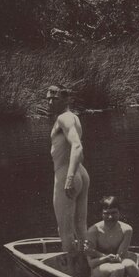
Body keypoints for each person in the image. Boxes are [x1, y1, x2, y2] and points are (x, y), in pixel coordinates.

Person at [47, 85, 90, 262]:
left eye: (55, 98)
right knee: (81, 227)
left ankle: (73, 270)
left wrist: (70, 177)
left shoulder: (64, 118)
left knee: (64, 231)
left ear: (66, 99)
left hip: (67, 173)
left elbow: (77, 146)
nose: (50, 102)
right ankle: (88, 264)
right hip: (81, 173)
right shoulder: (73, 117)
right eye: (48, 99)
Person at [85, 196, 139, 277]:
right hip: (98, 269)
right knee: (118, 268)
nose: (110, 217)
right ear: (101, 214)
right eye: (106, 213)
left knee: (131, 265)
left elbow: (120, 256)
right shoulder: (93, 231)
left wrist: (104, 256)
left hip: (118, 263)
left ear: (119, 212)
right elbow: (91, 264)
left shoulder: (127, 230)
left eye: (114, 213)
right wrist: (106, 258)